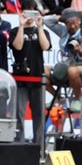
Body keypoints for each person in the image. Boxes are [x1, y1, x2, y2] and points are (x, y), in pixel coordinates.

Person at [44, 9, 82, 112]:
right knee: (42, 71)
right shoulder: (64, 31)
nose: (72, 26)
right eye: (68, 23)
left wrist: (81, 52)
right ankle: (58, 98)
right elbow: (46, 21)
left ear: (79, 21)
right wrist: (62, 17)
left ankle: (78, 100)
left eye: (74, 23)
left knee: (72, 70)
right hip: (65, 66)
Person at [10, 12, 51, 143]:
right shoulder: (15, 31)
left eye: (32, 14)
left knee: (39, 115)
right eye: (26, 14)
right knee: (19, 113)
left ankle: (39, 145)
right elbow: (18, 46)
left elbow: (46, 46)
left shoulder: (42, 31)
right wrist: (21, 26)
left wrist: (39, 27)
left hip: (37, 77)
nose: (29, 17)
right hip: (20, 79)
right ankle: (19, 144)